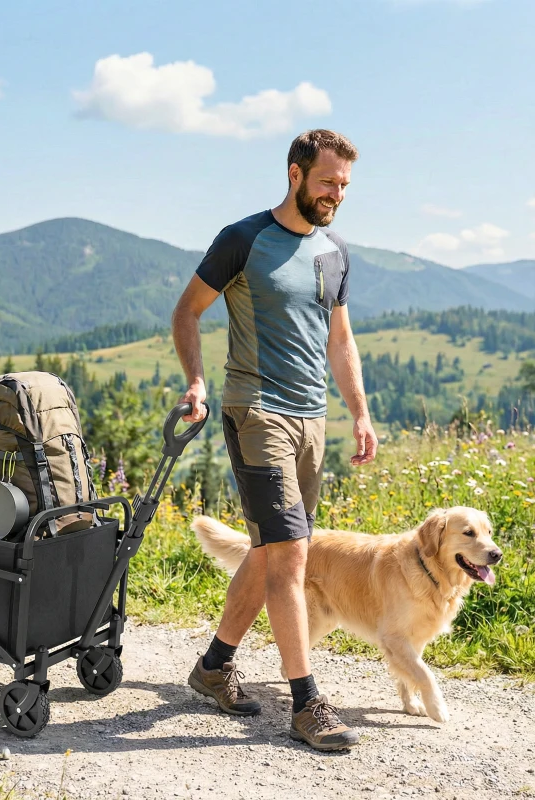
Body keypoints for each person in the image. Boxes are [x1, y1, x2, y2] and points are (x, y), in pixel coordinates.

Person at [171, 129, 378, 751]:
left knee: (267, 550)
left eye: (344, 184)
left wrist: (360, 414)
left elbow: (340, 339)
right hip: (256, 411)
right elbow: (187, 311)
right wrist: (197, 381)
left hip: (312, 418)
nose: (337, 194)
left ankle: (213, 667)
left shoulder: (335, 251)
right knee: (290, 555)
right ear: (295, 175)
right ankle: (307, 703)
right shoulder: (243, 239)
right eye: (327, 182)